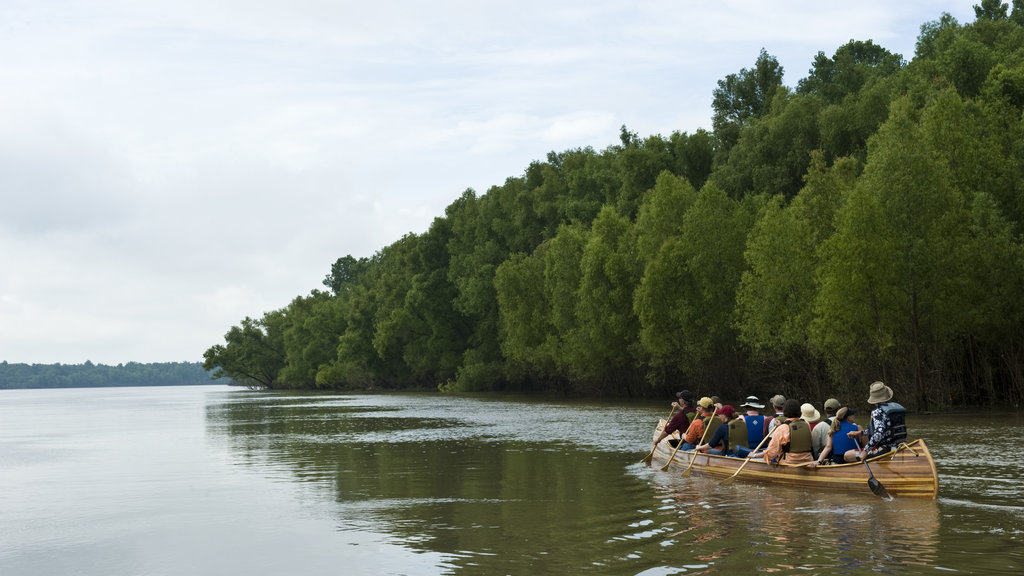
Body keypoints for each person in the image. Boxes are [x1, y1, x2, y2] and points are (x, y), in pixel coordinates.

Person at [850, 381, 907, 460]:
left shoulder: (877, 412)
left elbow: (879, 433)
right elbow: (885, 430)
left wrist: (865, 451)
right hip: (901, 446)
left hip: (885, 449)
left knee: (847, 455)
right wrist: (860, 433)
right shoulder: (896, 408)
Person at [752, 398, 814, 465]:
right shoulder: (806, 424)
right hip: (808, 460)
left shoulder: (782, 428)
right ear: (799, 411)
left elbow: (771, 453)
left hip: (789, 462)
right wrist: (781, 425)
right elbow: (793, 429)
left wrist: (754, 455)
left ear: (785, 411)